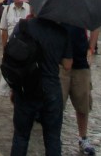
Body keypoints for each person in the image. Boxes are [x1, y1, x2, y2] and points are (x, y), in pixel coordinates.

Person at [9, 14, 72, 156]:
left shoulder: (24, 26)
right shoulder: (61, 31)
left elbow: (11, 52)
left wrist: (13, 87)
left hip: (26, 86)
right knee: (52, 138)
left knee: (21, 136)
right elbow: (68, 64)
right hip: (51, 89)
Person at [60, 24, 100, 156]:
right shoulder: (56, 6)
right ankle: (55, 136)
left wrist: (91, 47)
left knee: (83, 103)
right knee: (57, 104)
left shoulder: (82, 6)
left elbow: (95, 25)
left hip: (81, 61)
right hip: (60, 61)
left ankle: (83, 137)